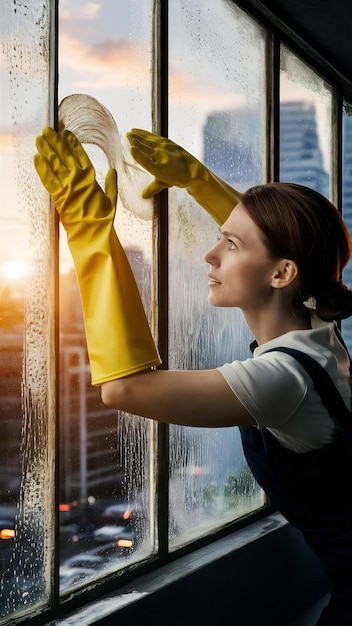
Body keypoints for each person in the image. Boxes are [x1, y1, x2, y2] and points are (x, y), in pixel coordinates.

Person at [34, 126, 352, 625]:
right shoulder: (319, 328)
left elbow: (126, 388)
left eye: (228, 243)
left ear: (282, 275)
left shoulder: (283, 379)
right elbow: (281, 249)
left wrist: (88, 228)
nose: (210, 254)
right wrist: (197, 181)